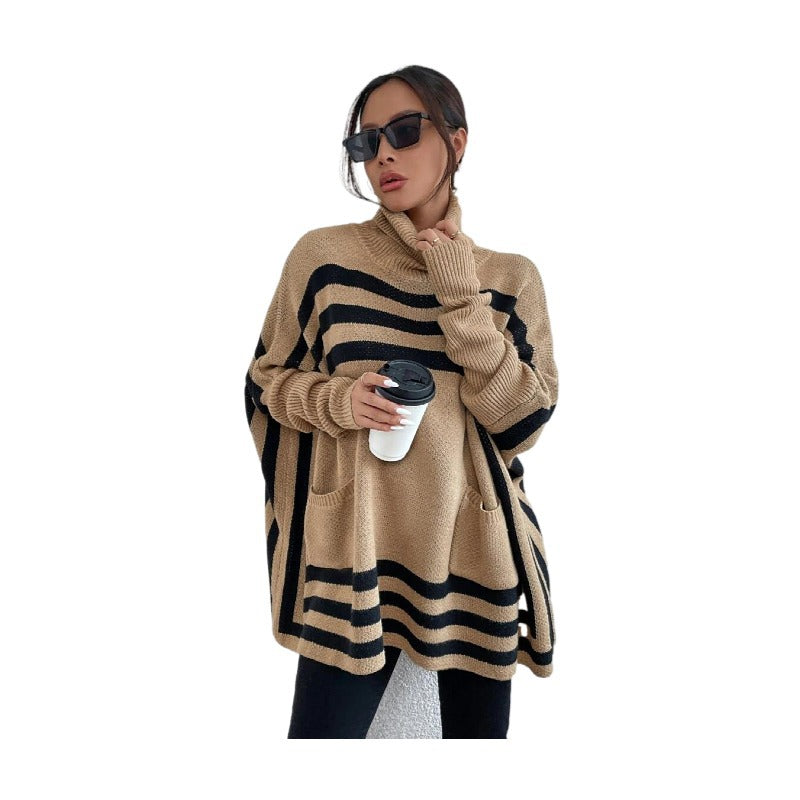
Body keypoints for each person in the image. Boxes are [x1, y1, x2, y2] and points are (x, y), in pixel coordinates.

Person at [244, 65, 559, 739]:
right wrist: (337, 401)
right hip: (354, 557)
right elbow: (267, 384)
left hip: (475, 559)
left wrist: (458, 293)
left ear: (457, 141)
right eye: (366, 143)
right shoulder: (324, 260)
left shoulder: (509, 278)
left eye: (406, 131)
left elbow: (522, 421)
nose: (383, 154)